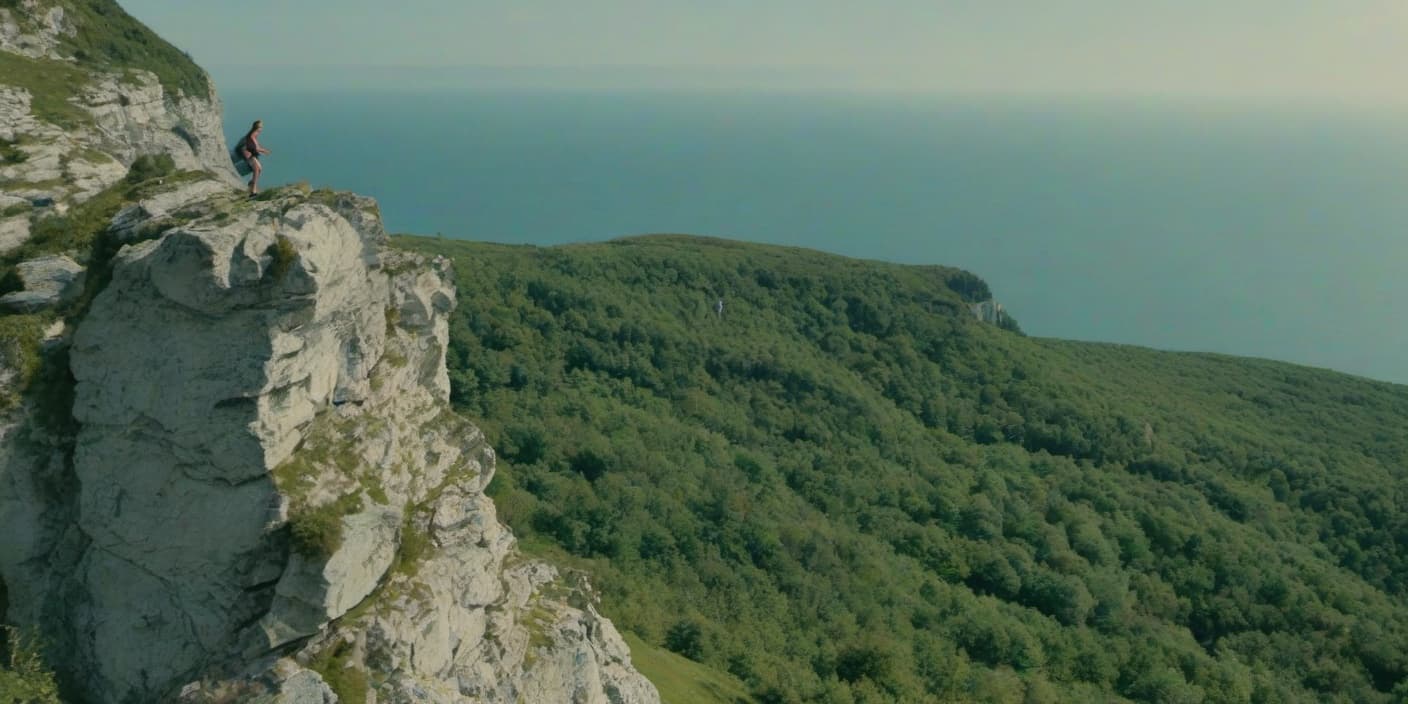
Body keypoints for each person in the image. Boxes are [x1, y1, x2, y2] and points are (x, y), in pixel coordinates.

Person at [238, 120, 271, 196]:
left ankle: (251, 183)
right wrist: (264, 150)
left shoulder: (254, 135)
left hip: (253, 155)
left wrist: (263, 151)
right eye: (260, 127)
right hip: (250, 156)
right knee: (256, 169)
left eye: (262, 127)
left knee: (259, 169)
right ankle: (253, 190)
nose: (261, 129)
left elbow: (257, 147)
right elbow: (254, 147)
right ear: (257, 127)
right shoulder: (253, 134)